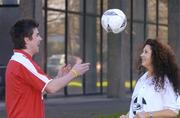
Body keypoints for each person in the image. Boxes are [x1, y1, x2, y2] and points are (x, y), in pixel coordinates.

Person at [5, 19, 90, 118]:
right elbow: (51, 88)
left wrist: (59, 78)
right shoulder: (22, 62)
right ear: (27, 39)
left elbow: (43, 89)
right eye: (37, 35)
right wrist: (74, 73)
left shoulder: (20, 61)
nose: (40, 39)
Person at [120, 39, 180, 118]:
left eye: (146, 52)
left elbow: (173, 111)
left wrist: (148, 114)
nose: (141, 55)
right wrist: (127, 116)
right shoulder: (142, 79)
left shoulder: (164, 81)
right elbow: (138, 105)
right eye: (142, 51)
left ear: (155, 56)